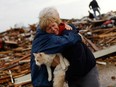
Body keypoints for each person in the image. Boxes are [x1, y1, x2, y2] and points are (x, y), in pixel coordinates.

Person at [31, 7, 100, 87]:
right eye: (49, 28)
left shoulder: (67, 33)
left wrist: (67, 75)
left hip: (86, 71)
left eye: (53, 25)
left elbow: (78, 59)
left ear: (57, 22)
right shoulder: (49, 38)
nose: (53, 29)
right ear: (45, 30)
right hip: (73, 76)